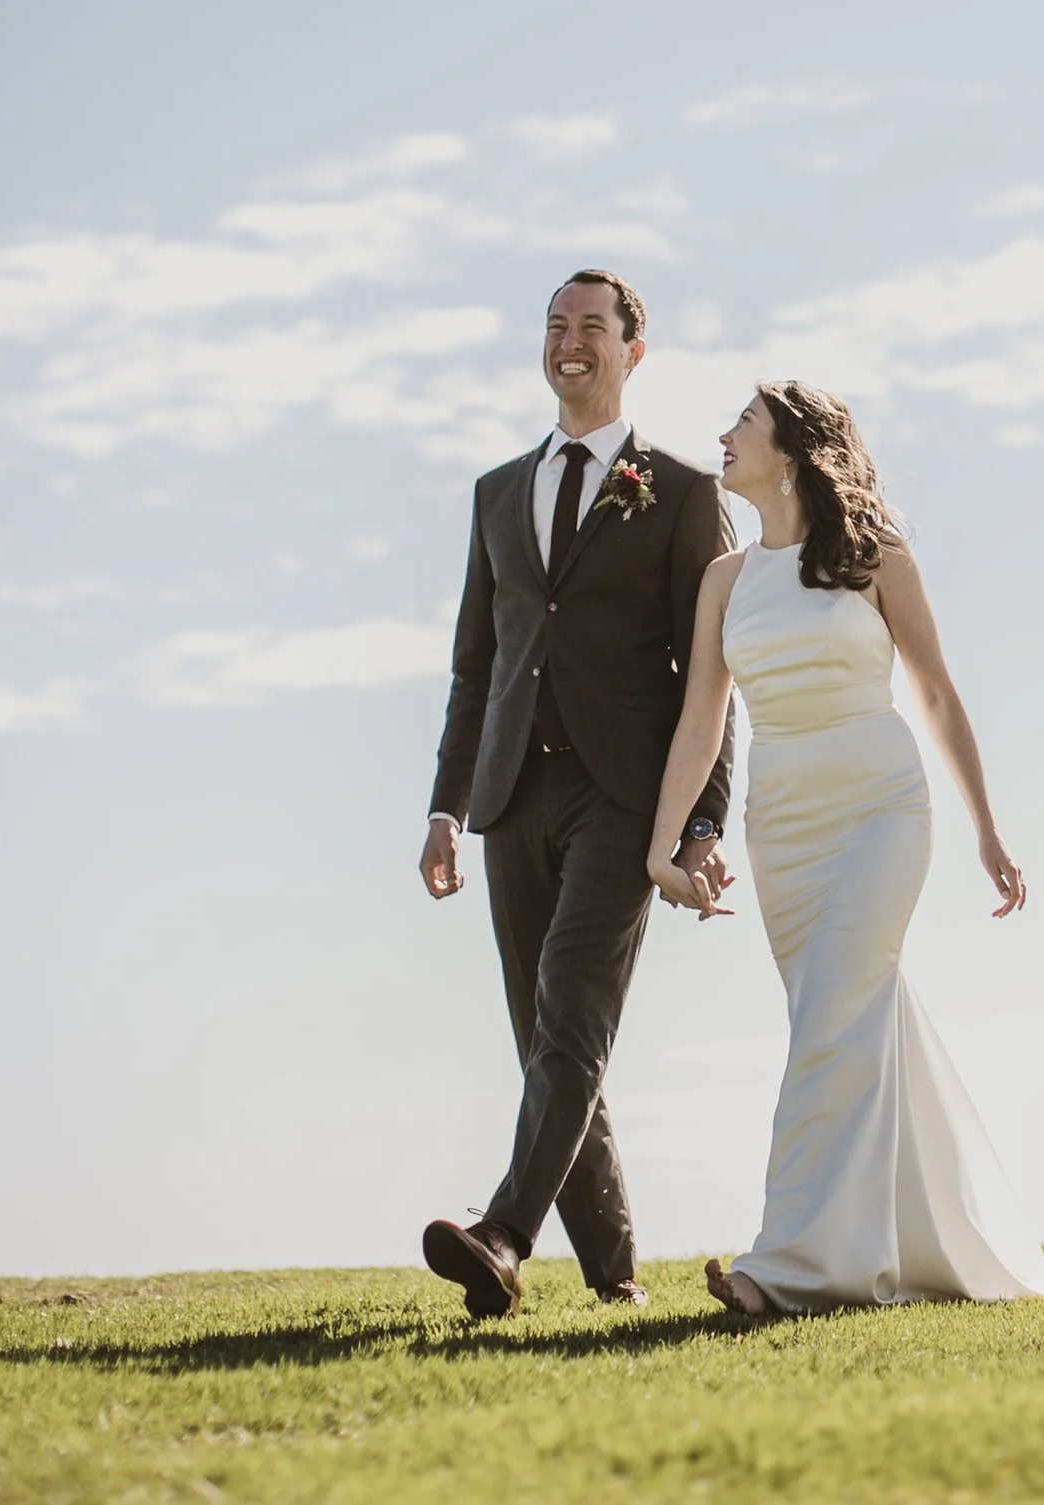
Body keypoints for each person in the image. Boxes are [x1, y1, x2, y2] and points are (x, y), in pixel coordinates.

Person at [646, 381, 1044, 1313]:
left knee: (832, 1014)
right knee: (850, 1024)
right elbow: (700, 722)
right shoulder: (725, 578)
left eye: (742, 425)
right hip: (782, 828)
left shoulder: (874, 557)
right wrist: (662, 845)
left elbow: (939, 696)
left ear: (791, 450)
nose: (722, 436)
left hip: (880, 810)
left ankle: (790, 1267)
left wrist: (988, 830)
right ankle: (931, 1241)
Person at [417, 269, 736, 1318]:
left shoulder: (684, 491)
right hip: (511, 795)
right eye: (555, 326)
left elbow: (714, 672)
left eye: (591, 327)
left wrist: (697, 823)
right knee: (548, 1031)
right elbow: (478, 661)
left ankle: (504, 1233)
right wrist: (446, 807)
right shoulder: (494, 493)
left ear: (632, 351)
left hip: (622, 796)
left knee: (571, 1009)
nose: (570, 343)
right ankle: (616, 1272)